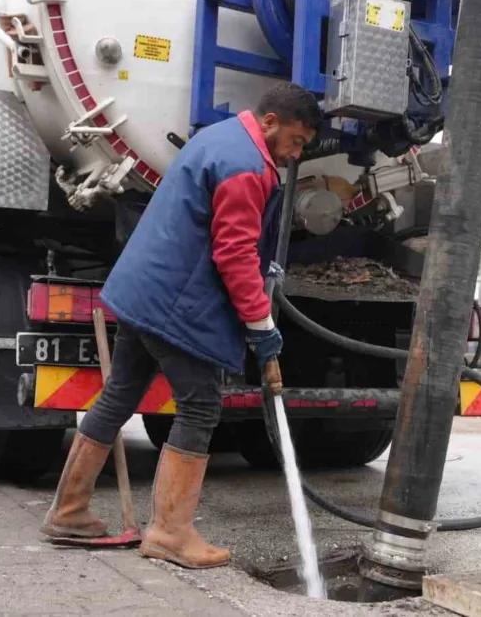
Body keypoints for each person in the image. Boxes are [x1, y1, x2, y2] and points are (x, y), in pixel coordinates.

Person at [40, 82, 322, 568]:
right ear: (272, 122)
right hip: (176, 301)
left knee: (119, 393)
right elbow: (233, 254)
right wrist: (260, 327)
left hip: (143, 290)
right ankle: (170, 533)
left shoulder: (219, 139)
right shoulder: (247, 167)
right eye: (297, 141)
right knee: (200, 405)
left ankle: (68, 511)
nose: (297, 153)